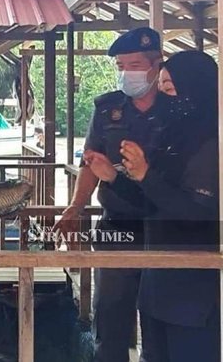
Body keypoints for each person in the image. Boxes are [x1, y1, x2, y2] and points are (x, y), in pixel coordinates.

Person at [86, 51, 220, 361]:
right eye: (162, 89)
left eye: (170, 89)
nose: (164, 97)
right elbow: (151, 202)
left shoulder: (212, 145)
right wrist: (115, 179)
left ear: (195, 89)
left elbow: (198, 213)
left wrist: (146, 175)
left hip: (193, 283)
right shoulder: (170, 139)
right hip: (158, 279)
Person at [54, 27, 165, 362]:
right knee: (111, 319)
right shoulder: (108, 109)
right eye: (121, 66)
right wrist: (75, 207)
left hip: (165, 227)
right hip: (118, 226)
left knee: (160, 320)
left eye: (134, 64)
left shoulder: (177, 110)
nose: (127, 73)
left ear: (156, 63)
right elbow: (91, 163)